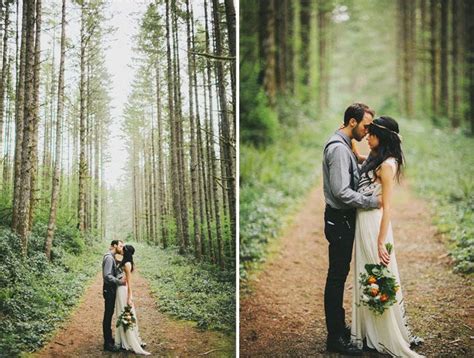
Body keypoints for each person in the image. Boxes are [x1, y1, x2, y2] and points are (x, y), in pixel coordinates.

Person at [351, 116, 423, 357]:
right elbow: (365, 167)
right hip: (364, 222)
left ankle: (383, 332)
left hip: (374, 225)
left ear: (381, 138)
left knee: (377, 274)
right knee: (367, 273)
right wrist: (351, 144)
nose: (367, 136)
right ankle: (371, 329)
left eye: (371, 133)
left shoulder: (388, 165)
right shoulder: (376, 159)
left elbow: (387, 207)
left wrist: (381, 241)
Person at [322, 103, 381, 356]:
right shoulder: (337, 149)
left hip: (344, 220)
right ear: (352, 122)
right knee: (337, 277)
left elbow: (351, 168)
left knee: (340, 274)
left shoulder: (344, 145)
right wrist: (372, 202)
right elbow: (341, 191)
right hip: (339, 220)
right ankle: (335, 337)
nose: (368, 132)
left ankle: (339, 329)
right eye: (366, 126)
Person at [114, 245, 150, 355]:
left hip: (124, 291)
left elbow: (129, 283)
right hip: (119, 290)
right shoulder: (124, 262)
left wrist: (129, 297)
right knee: (120, 313)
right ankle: (122, 338)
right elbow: (116, 257)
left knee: (125, 313)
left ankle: (129, 340)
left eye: (123, 249)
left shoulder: (128, 264)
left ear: (127, 251)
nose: (122, 250)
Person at [102, 239, 126, 352]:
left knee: (110, 313)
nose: (122, 248)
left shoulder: (112, 257)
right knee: (108, 315)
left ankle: (109, 339)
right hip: (109, 289)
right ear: (115, 245)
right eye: (121, 246)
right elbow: (107, 276)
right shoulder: (108, 258)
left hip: (111, 289)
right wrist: (120, 282)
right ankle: (107, 343)